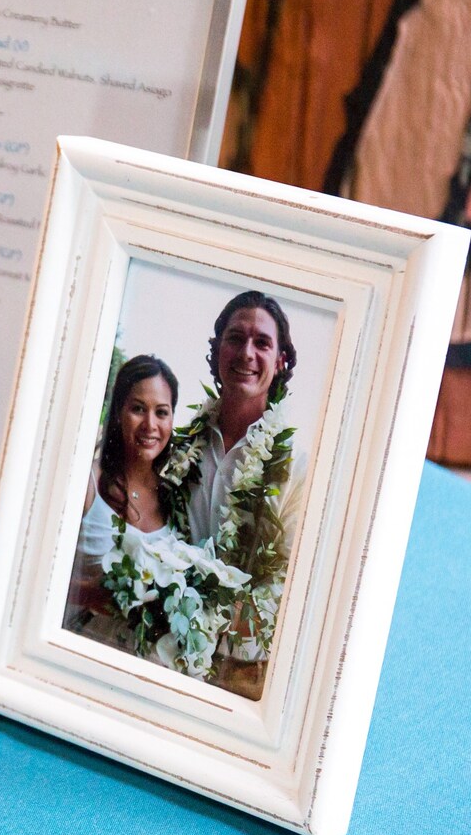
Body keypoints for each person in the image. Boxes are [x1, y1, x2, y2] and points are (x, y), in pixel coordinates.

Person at [167, 290, 308, 696]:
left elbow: (294, 572)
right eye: (235, 338)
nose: (247, 352)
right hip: (169, 647)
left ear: (280, 360)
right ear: (216, 352)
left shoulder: (296, 464)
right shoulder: (180, 447)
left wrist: (219, 618)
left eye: (262, 342)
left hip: (245, 667)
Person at [66, 355, 180, 641]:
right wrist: (89, 594)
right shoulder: (86, 483)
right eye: (138, 409)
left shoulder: (175, 498)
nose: (150, 424)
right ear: (118, 412)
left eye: (162, 412)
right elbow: (30, 576)